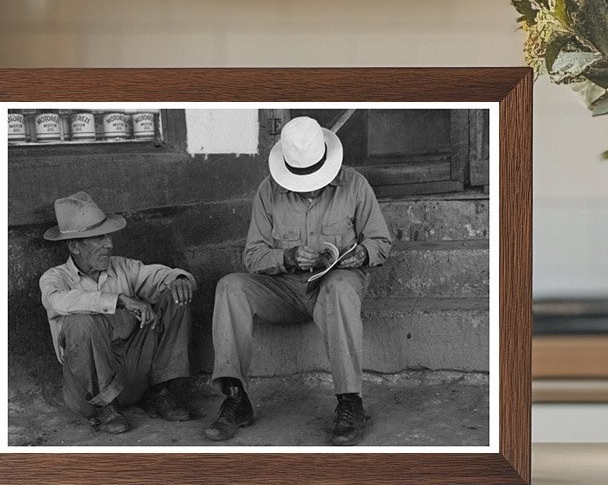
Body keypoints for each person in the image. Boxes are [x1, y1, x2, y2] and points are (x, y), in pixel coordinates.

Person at [206, 116, 393, 446]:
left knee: (338, 287)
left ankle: (350, 402)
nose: (310, 186)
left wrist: (361, 255)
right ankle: (236, 398)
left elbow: (381, 241)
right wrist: (286, 257)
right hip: (286, 289)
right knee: (230, 286)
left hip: (336, 285)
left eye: (317, 179)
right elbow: (253, 256)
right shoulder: (268, 192)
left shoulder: (355, 186)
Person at [39, 192, 196, 434]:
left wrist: (179, 279)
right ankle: (106, 408)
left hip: (134, 371)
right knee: (80, 322)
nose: (109, 244)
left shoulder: (122, 266)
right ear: (74, 246)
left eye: (108, 237)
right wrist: (119, 300)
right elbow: (58, 301)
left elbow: (160, 275)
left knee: (175, 296)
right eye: (99, 238)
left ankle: (160, 391)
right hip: (87, 389)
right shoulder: (55, 278)